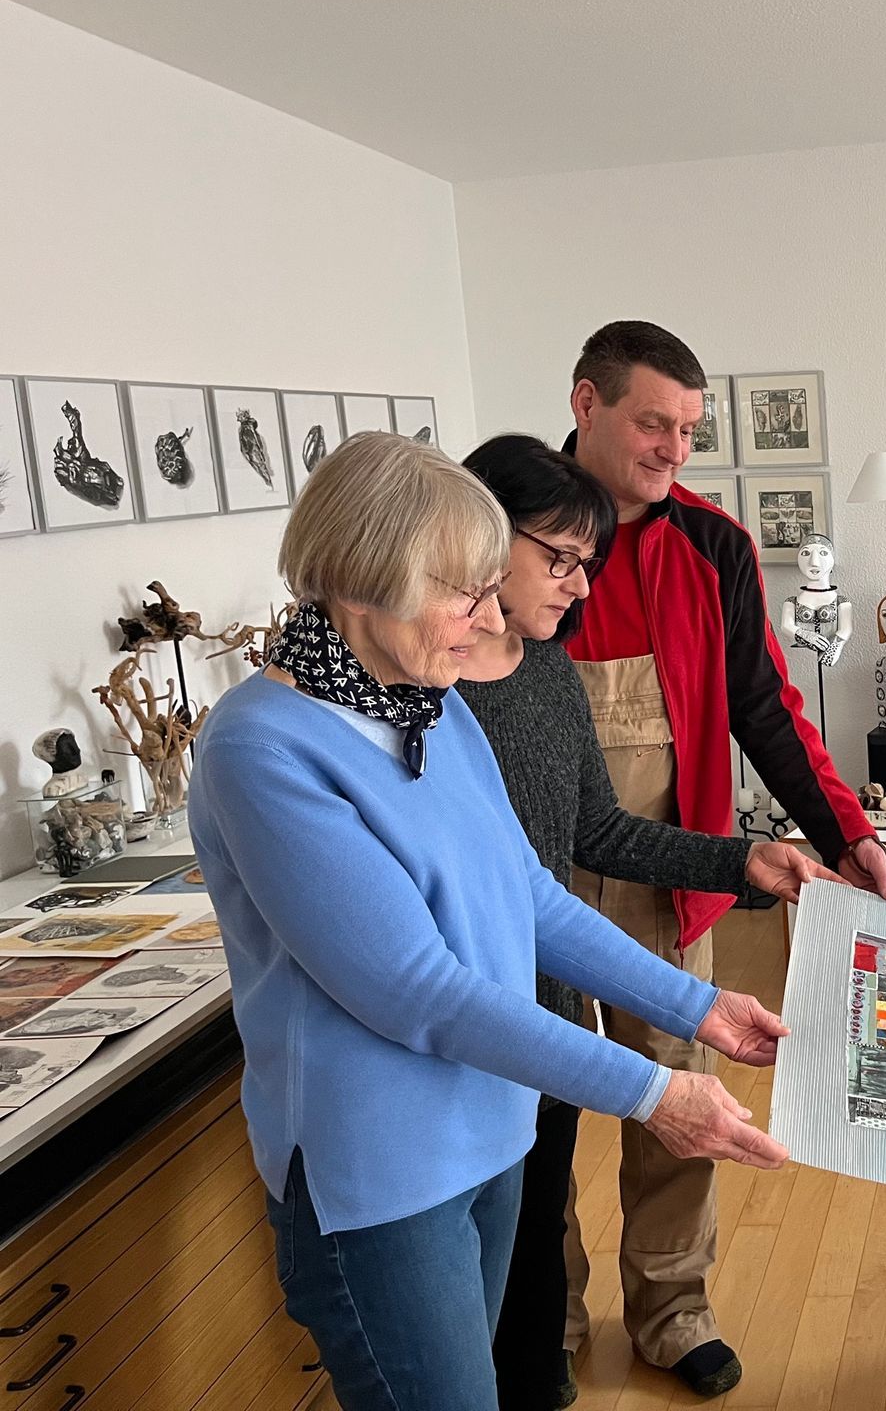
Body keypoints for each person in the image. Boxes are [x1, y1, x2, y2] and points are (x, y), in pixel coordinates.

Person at [189, 433, 791, 1411]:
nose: (489, 620)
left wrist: (699, 1007)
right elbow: (418, 992)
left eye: (488, 590)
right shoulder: (262, 747)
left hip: (492, 1128)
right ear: (364, 580)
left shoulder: (433, 703)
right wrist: (653, 1094)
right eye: (464, 595)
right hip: (381, 1176)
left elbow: (531, 895)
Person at [559, 321, 886, 1394]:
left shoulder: (713, 546)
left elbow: (766, 708)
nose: (674, 450)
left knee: (678, 1097)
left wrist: (850, 832)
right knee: (532, 1108)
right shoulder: (511, 527)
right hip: (533, 875)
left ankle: (672, 1309)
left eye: (688, 430)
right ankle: (545, 1321)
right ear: (586, 404)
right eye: (652, 424)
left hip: (673, 878)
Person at [456, 435, 841, 1409]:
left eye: (588, 563)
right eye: (562, 560)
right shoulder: (426, 694)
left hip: (547, 983)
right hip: (471, 1020)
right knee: (501, 1252)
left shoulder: (546, 666)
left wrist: (739, 861)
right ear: (479, 537)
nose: (582, 587)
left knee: (550, 1189)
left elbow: (592, 833)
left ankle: (633, 1322)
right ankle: (544, 1337)